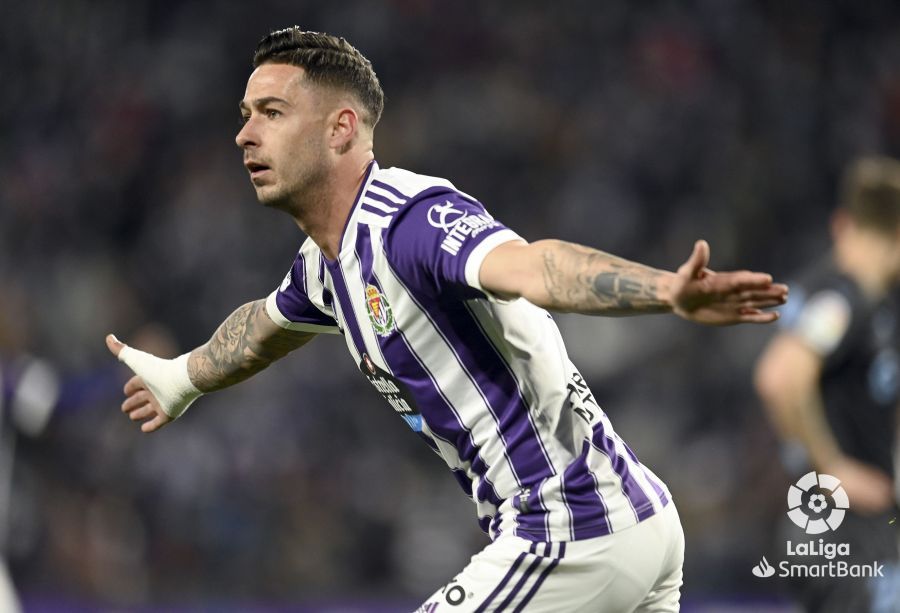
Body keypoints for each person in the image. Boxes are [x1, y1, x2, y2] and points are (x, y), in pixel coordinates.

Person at [107, 27, 787, 612]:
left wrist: (664, 289)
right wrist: (182, 376)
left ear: (341, 128)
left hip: (571, 527)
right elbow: (260, 329)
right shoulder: (324, 267)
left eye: (272, 111)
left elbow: (535, 268)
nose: (244, 132)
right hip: (627, 516)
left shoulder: (411, 221)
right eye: (246, 112)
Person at [754, 157, 900, 612]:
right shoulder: (844, 297)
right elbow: (778, 376)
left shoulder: (851, 299)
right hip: (842, 528)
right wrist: (832, 467)